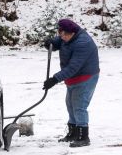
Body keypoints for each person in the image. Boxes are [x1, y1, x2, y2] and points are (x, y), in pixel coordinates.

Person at [42, 18, 100, 147]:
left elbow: (73, 67)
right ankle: (73, 133)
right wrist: (50, 43)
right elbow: (58, 42)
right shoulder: (66, 36)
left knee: (79, 106)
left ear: (72, 33)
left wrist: (55, 79)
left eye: (64, 35)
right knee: (70, 104)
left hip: (85, 77)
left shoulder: (83, 43)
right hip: (72, 78)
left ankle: (83, 136)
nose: (61, 37)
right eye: (60, 34)